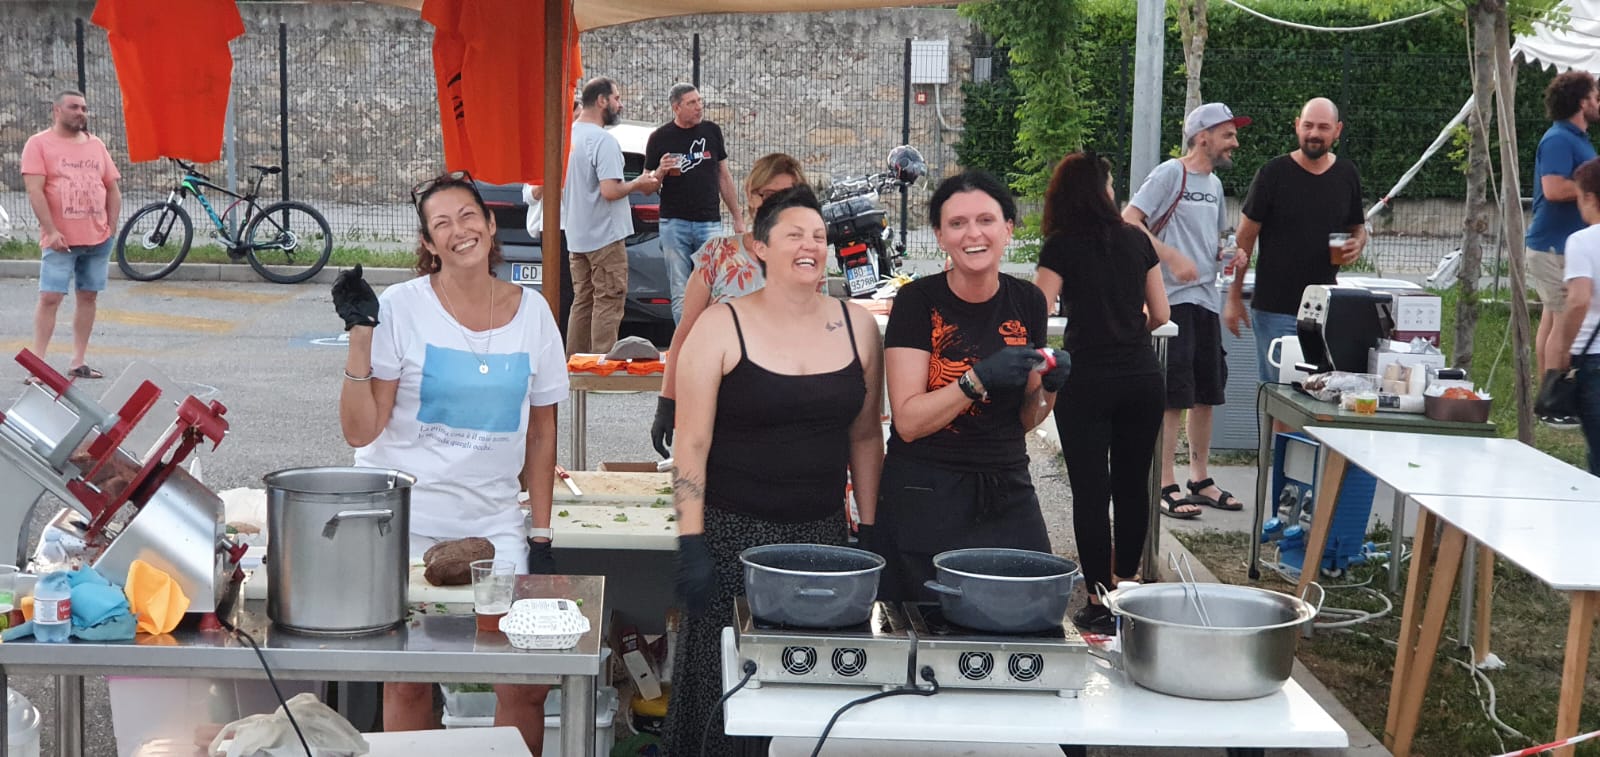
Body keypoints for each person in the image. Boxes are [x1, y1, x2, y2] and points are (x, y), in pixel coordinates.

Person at [332, 172, 567, 753]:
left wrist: (540, 533)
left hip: (492, 524)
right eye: (442, 224)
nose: (459, 231)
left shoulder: (534, 312)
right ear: (429, 243)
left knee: (524, 681)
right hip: (404, 523)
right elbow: (361, 430)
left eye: (468, 216)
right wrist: (360, 337)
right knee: (408, 679)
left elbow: (543, 432)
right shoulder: (401, 307)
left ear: (490, 224)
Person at [664, 185, 883, 756]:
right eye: (794, 235)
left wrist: (871, 528)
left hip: (822, 538)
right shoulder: (720, 325)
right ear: (760, 247)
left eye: (819, 236)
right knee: (725, 691)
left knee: (810, 691)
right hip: (732, 540)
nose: (810, 246)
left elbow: (865, 436)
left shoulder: (858, 326)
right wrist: (691, 542)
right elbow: (691, 442)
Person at [873, 170, 1072, 603]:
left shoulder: (1028, 301)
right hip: (927, 490)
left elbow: (1025, 419)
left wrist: (1049, 388)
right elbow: (907, 422)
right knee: (928, 622)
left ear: (1008, 229)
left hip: (1006, 489)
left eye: (986, 220)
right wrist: (975, 380)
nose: (973, 234)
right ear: (940, 236)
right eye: (957, 223)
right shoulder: (917, 303)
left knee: (1025, 609)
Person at [1035, 152, 1169, 634]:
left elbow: (1037, 309)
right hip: (1141, 376)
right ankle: (1128, 587)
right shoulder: (1137, 239)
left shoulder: (1060, 246)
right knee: (1133, 484)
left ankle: (1097, 598)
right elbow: (1161, 313)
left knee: (1091, 491)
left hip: (1086, 379)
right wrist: (1128, 329)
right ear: (1100, 191)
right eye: (1110, 184)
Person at [1124, 102, 1248, 519]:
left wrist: (1231, 254)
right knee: (1172, 396)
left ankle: (1200, 478)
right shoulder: (1169, 174)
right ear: (1202, 137)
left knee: (1206, 393)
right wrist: (1170, 256)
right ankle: (1163, 483)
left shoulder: (1214, 185)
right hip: (1170, 301)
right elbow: (1129, 220)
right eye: (1228, 134)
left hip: (1206, 300)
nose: (1235, 142)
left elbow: (1216, 241)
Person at [649, 152, 810, 458]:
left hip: (786, 411)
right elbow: (685, 333)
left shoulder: (806, 260)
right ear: (751, 196)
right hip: (719, 411)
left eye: (788, 195)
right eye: (768, 195)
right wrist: (667, 401)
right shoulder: (718, 255)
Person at [1224, 97, 1366, 389]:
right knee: (1280, 395)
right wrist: (1234, 297)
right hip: (1275, 309)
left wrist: (1359, 242)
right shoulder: (1272, 174)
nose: (1314, 133)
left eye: (1323, 127)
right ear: (1297, 126)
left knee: (1319, 394)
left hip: (1324, 311)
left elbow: (1357, 227)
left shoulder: (1347, 174)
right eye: (1308, 125)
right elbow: (1244, 240)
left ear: (1337, 130)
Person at [22, 90, 121, 382]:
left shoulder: (96, 145)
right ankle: (38, 365)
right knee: (50, 297)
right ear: (57, 110)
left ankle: (78, 361)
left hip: (97, 239)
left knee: (88, 296)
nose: (81, 113)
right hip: (60, 241)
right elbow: (35, 191)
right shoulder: (38, 144)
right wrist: (51, 231)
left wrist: (111, 227)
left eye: (84, 108)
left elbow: (112, 189)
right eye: (74, 107)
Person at [566, 77, 661, 356]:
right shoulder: (602, 141)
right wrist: (638, 184)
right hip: (604, 236)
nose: (620, 105)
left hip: (577, 235)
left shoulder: (568, 137)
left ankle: (575, 364)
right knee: (609, 300)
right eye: (616, 98)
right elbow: (610, 190)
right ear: (601, 100)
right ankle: (600, 367)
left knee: (582, 302)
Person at [1528, 71, 1600, 428]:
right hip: (1554, 244)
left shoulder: (1576, 137)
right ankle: (1556, 400)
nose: (1599, 101)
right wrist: (1588, 189)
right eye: (1595, 96)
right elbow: (1554, 188)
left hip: (1560, 244)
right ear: (1581, 102)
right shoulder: (1558, 138)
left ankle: (1548, 391)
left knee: (1551, 319)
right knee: (1561, 319)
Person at [645, 83, 746, 324]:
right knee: (680, 289)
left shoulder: (712, 132)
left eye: (700, 101)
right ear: (676, 107)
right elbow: (647, 186)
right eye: (692, 103)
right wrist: (660, 171)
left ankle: (711, 337)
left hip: (709, 223)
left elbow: (724, 176)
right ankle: (685, 341)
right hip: (674, 223)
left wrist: (738, 217)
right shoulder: (660, 138)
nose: (699, 107)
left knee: (716, 286)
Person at [1556, 158, 1600, 473]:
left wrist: (1562, 348)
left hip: (1593, 358)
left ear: (1589, 197)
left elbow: (1579, 301)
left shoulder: (1582, 241)